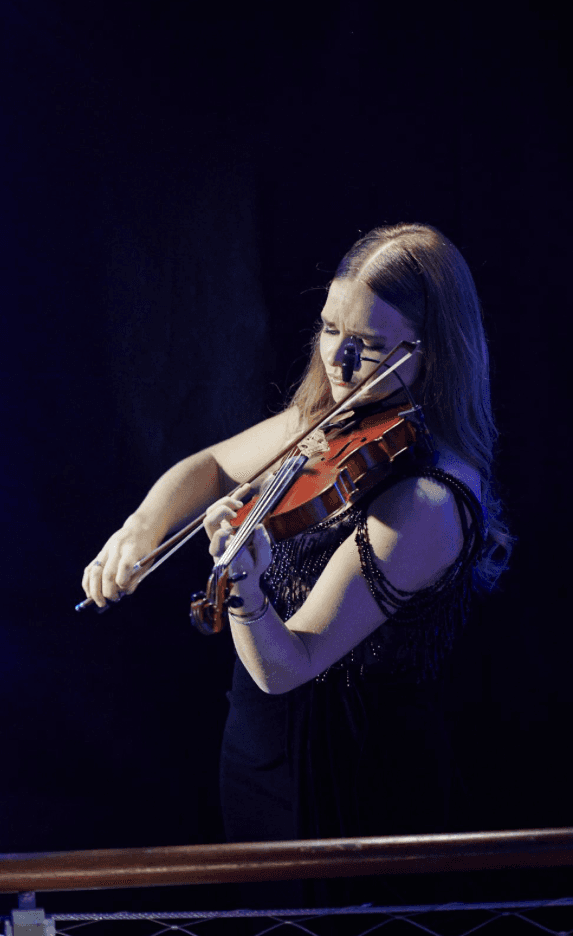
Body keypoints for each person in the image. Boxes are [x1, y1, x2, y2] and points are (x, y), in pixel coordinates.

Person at [81, 223, 511, 894]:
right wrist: (141, 529)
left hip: (353, 777)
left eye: (367, 345)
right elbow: (211, 465)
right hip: (263, 745)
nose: (338, 361)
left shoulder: (427, 500)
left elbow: (290, 663)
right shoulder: (336, 420)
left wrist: (244, 585)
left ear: (433, 353)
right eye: (330, 328)